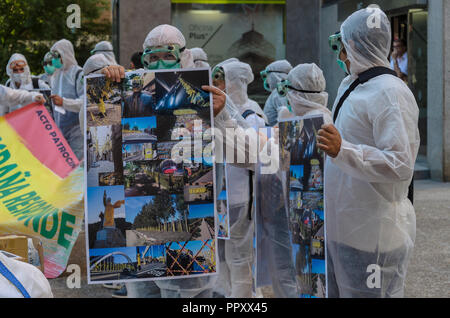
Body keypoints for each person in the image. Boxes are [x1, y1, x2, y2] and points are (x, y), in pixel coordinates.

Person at [102, 24, 215, 299]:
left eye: (168, 54)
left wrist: (217, 115)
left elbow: (239, 149)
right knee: (142, 291)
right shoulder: (132, 90)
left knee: (188, 295)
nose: (159, 62)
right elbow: (107, 138)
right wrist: (106, 82)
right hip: (140, 221)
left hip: (190, 216)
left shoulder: (206, 93)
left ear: (184, 54)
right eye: (151, 56)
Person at [318, 8, 419, 297]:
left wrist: (344, 150)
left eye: (342, 46)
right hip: (346, 229)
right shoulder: (353, 85)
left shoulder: (390, 92)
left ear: (356, 46)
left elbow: (400, 164)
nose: (340, 56)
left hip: (374, 235)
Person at [212, 60, 267, 298]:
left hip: (243, 197)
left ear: (234, 82)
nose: (216, 84)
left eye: (221, 79)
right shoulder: (217, 110)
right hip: (223, 197)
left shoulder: (252, 114)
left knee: (241, 256)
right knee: (222, 254)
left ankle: (243, 297)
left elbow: (257, 157)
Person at [47, 39, 84, 160]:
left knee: (77, 167)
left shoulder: (79, 73)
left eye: (56, 56)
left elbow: (85, 102)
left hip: (76, 130)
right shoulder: (56, 75)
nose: (54, 59)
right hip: (59, 130)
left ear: (65, 53)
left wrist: (64, 102)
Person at [261, 60, 292, 126]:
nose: (266, 80)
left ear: (274, 76)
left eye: (268, 76)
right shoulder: (289, 91)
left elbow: (286, 117)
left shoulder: (279, 93)